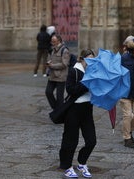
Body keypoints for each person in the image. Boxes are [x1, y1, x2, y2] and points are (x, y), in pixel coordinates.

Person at [59, 49, 96, 178]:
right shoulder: (74, 71)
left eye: (93, 60)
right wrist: (86, 83)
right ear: (82, 59)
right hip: (73, 109)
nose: (90, 62)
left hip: (87, 109)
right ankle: (67, 166)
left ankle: (82, 163)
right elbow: (70, 89)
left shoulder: (94, 72)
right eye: (88, 60)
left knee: (91, 140)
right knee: (70, 141)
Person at [45, 35, 70, 110]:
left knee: (60, 97)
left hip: (60, 77)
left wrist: (52, 65)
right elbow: (53, 59)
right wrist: (49, 63)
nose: (52, 43)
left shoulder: (65, 50)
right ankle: (56, 109)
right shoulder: (53, 49)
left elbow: (64, 64)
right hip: (52, 76)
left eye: (54, 41)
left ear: (59, 41)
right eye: (52, 41)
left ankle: (59, 112)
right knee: (48, 92)